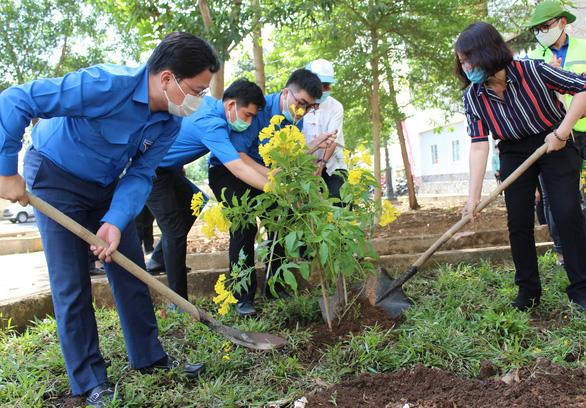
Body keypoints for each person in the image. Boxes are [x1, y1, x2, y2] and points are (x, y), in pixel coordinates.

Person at [0, 31, 220, 407]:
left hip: (106, 187)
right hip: (55, 177)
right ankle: (89, 381)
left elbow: (140, 174)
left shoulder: (169, 122)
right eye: (197, 91)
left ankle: (151, 359)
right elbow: (15, 100)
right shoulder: (105, 85)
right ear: (166, 78)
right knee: (72, 284)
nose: (200, 100)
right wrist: (7, 170)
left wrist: (116, 221)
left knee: (132, 270)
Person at [455, 22, 586, 312]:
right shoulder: (473, 97)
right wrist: (473, 197)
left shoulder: (533, 70)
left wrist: (562, 132)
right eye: (461, 62)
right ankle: (528, 291)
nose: (465, 68)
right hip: (513, 151)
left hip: (555, 141)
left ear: (489, 53)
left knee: (566, 211)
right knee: (518, 222)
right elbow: (479, 144)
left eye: (469, 60)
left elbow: (582, 90)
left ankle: (580, 288)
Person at [208, 69, 336, 316]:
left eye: (309, 108)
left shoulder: (292, 121)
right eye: (301, 104)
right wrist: (271, 180)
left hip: (266, 175)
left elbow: (287, 159)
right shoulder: (256, 109)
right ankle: (242, 296)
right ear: (286, 93)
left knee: (285, 220)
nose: (302, 111)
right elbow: (240, 157)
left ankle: (275, 286)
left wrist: (315, 145)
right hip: (229, 172)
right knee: (244, 226)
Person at [145, 78, 269, 308]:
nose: (249, 122)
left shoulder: (209, 104)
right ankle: (179, 302)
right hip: (150, 171)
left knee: (196, 200)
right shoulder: (213, 124)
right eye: (247, 115)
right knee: (173, 231)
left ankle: (159, 260)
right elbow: (239, 168)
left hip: (169, 168)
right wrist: (275, 187)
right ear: (231, 105)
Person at [302, 59, 348, 202]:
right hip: (301, 166)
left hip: (331, 164)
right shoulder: (297, 104)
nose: (322, 90)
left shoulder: (336, 107)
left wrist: (320, 163)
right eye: (319, 85)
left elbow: (333, 139)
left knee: (338, 199)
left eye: (326, 86)